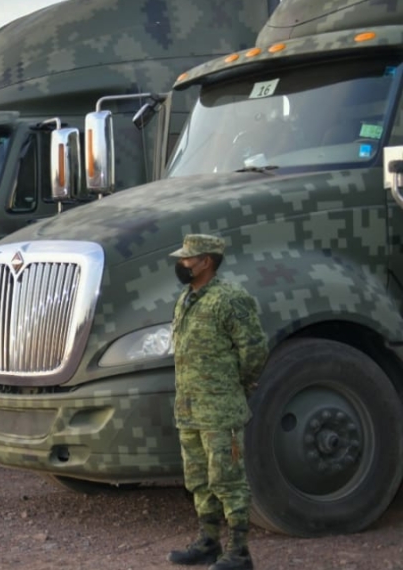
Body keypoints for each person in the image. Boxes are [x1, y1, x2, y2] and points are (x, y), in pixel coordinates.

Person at [168, 234, 268, 570]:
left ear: (205, 261)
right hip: (189, 409)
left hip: (219, 409)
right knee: (198, 479)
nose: (181, 264)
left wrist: (239, 385)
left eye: (187, 259)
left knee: (227, 480)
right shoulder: (186, 299)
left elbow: (254, 350)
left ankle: (239, 552)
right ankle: (208, 543)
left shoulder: (230, 299)